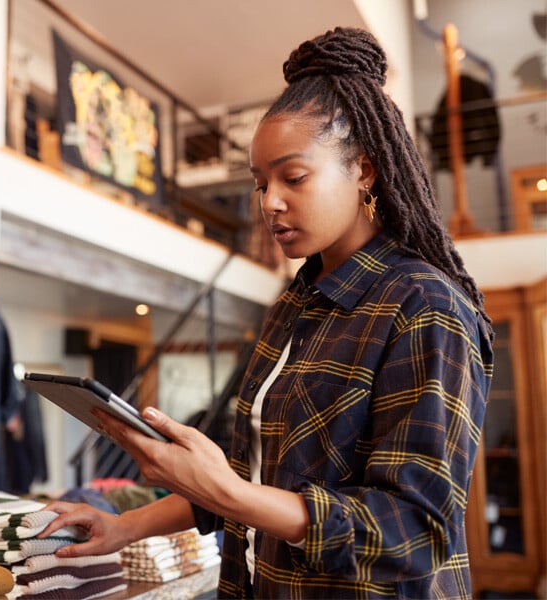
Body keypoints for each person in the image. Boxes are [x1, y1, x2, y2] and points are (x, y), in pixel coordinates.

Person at [39, 27, 494, 599]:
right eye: (260, 183)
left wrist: (226, 493)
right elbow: (255, 477)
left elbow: (415, 533)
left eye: (294, 177)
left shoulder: (425, 307)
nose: (270, 201)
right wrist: (126, 526)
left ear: (365, 170)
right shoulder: (294, 305)